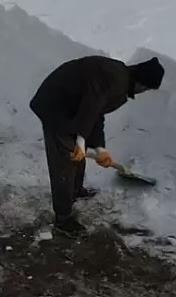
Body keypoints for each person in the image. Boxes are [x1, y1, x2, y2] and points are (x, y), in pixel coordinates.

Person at [29, 55, 165, 236]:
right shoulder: (114, 77)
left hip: (71, 109)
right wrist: (80, 140)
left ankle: (76, 190)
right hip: (54, 105)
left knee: (78, 152)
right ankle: (63, 219)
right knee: (65, 160)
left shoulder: (120, 80)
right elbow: (90, 107)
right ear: (142, 84)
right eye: (146, 89)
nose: (144, 92)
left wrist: (100, 149)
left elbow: (96, 113)